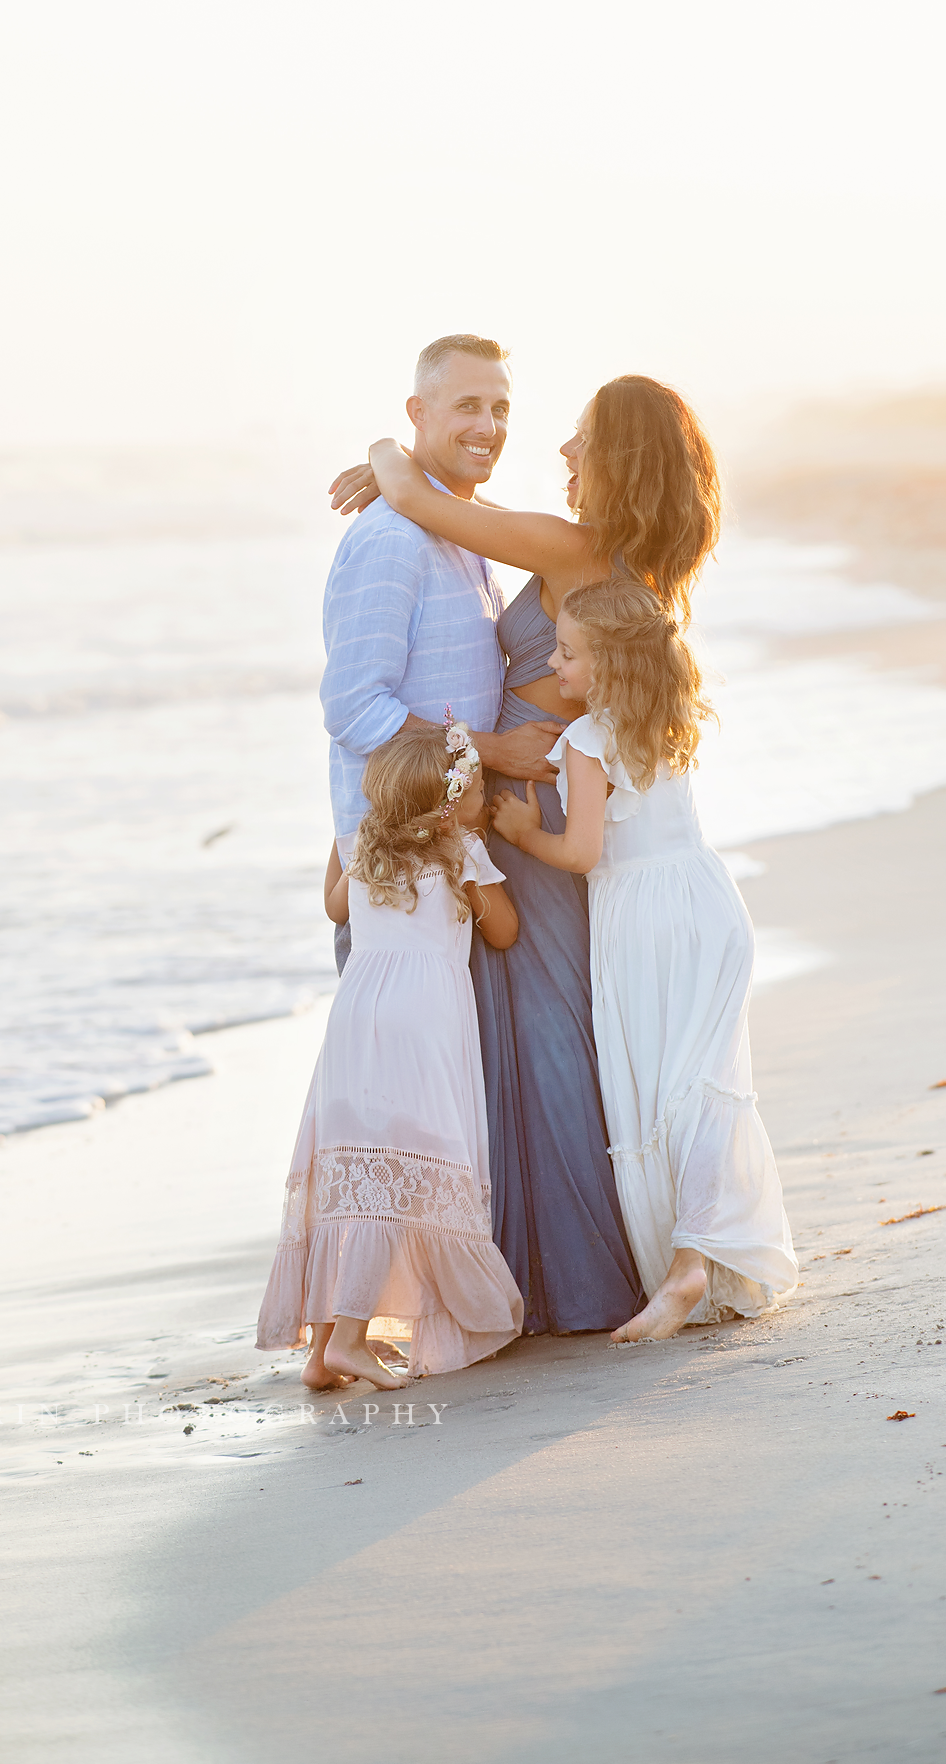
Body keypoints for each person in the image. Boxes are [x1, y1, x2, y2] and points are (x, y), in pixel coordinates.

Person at [332, 375, 718, 1336]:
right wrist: (422, 484)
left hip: (524, 790)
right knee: (541, 1013)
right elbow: (481, 514)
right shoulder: (631, 555)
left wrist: (392, 459)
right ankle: (552, 1268)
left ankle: (564, 1275)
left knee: (540, 1017)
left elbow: (429, 504)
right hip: (535, 786)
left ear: (615, 458)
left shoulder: (574, 546)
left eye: (581, 438)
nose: (561, 451)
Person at [319, 334, 568, 1292]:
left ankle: (435, 1298)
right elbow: (356, 710)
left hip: (454, 870)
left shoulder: (455, 533)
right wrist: (489, 753)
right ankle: (365, 1311)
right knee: (386, 1122)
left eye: (502, 408)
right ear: (417, 414)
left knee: (442, 1113)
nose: (489, 426)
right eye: (467, 405)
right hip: (400, 871)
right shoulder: (388, 538)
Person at [490, 578, 798, 1338]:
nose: (554, 667)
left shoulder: (586, 741)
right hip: (708, 905)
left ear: (607, 666)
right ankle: (698, 1256)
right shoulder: (672, 717)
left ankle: (687, 1266)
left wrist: (523, 832)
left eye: (566, 654)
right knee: (707, 1084)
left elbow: (582, 850)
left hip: (638, 921)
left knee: (662, 1091)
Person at [256, 721, 525, 1385]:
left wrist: (344, 844)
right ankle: (350, 1338)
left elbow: (333, 909)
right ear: (448, 803)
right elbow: (506, 932)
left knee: (355, 1170)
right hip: (424, 1020)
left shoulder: (357, 848)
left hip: (356, 1019)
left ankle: (323, 1350)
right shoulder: (461, 855)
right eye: (477, 786)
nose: (484, 795)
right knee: (402, 1175)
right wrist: (485, 855)